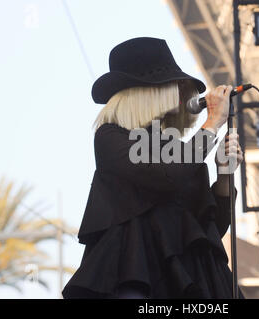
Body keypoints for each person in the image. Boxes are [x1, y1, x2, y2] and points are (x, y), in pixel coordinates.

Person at [62, 37, 244, 299]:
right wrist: (213, 123)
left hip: (191, 281)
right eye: (176, 88)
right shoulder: (111, 138)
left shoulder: (179, 151)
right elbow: (165, 176)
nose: (183, 97)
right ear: (149, 93)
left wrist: (224, 176)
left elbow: (210, 228)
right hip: (137, 279)